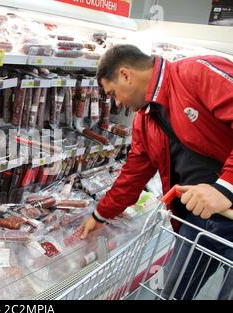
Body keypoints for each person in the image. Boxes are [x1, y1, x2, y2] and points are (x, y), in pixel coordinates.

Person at [76, 44, 233, 300]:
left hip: (227, 208)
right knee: (168, 289)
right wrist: (100, 214)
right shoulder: (144, 120)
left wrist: (225, 187)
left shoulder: (196, 73)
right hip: (195, 220)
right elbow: (133, 174)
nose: (118, 103)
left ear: (126, 75)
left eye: (114, 93)